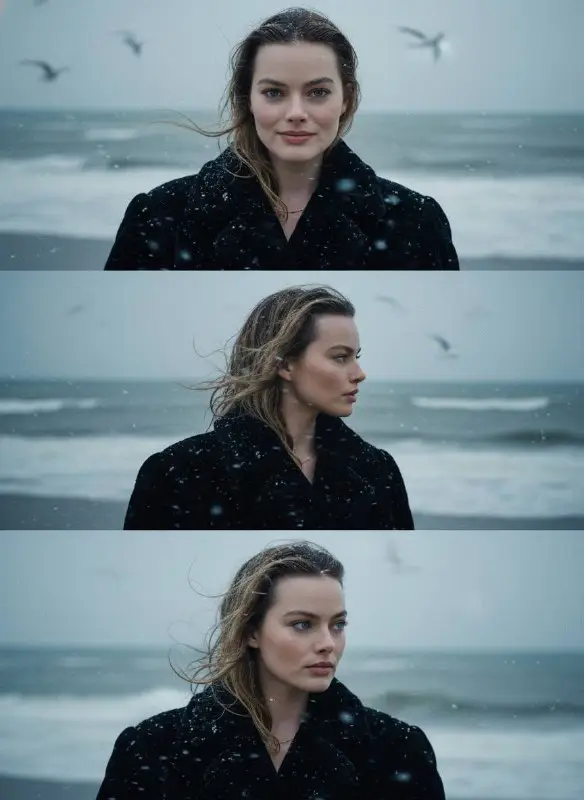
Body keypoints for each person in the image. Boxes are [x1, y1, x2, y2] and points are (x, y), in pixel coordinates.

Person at [104, 7, 458, 271]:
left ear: (346, 98)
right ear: (248, 98)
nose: (296, 112)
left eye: (317, 92)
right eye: (274, 92)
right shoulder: (159, 214)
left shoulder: (416, 220)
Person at [96, 541, 445, 799]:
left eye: (337, 625)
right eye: (302, 624)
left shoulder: (398, 749)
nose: (328, 643)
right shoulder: (152, 747)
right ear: (250, 631)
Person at [124, 285, 414, 530]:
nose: (359, 373)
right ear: (284, 363)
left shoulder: (378, 470)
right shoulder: (178, 471)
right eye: (340, 357)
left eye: (356, 356)